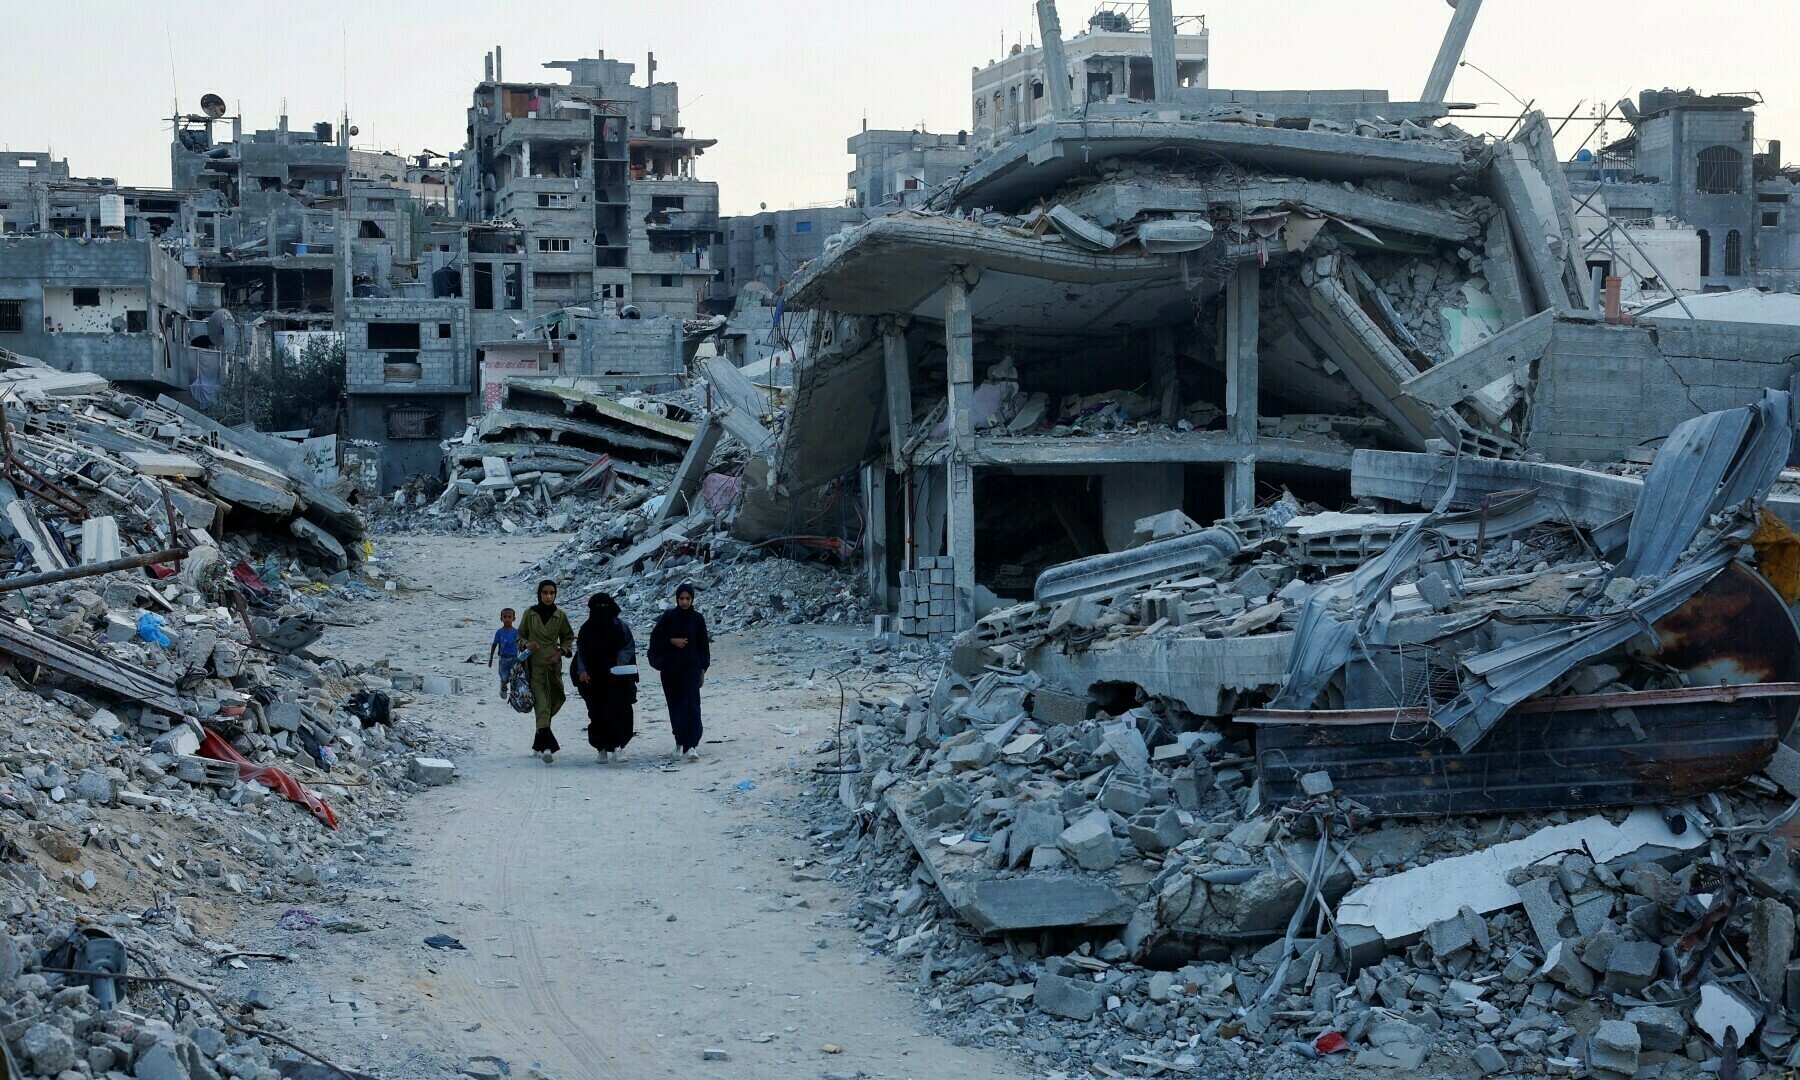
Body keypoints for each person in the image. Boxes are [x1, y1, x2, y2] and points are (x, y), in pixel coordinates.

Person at [647, 582, 710, 761]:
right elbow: (655, 639)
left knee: (692, 706)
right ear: (676, 599)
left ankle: (692, 745)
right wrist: (672, 641)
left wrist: (702, 669)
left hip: (691, 669)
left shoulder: (697, 619)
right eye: (681, 598)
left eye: (687, 598)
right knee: (675, 706)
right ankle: (679, 742)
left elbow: (703, 646)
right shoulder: (668, 617)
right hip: (671, 670)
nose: (684, 602)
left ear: (692, 599)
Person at [575, 592, 639, 763]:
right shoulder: (586, 629)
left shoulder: (620, 626)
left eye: (605, 606)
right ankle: (601, 748)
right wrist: (582, 671)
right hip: (594, 679)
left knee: (620, 711)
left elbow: (629, 646)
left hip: (617, 678)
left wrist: (622, 659)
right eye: (598, 607)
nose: (602, 610)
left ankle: (618, 747)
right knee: (597, 713)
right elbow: (581, 652)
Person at [517, 580, 574, 763]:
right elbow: (519, 635)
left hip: (553, 667)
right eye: (545, 593)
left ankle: (538, 742)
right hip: (535, 667)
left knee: (554, 700)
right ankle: (548, 746)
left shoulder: (560, 616)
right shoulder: (530, 614)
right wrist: (526, 643)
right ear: (539, 594)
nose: (548, 597)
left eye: (552, 593)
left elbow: (567, 638)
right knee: (541, 702)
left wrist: (560, 653)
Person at [488, 608, 520, 690]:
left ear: (514, 619)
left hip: (514, 658)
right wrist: (491, 659)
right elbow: (494, 645)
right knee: (504, 677)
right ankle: (503, 685)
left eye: (509, 617)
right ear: (501, 619)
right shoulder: (499, 632)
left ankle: (514, 694)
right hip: (503, 659)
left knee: (515, 677)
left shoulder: (516, 632)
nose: (507, 619)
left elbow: (520, 644)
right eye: (505, 617)